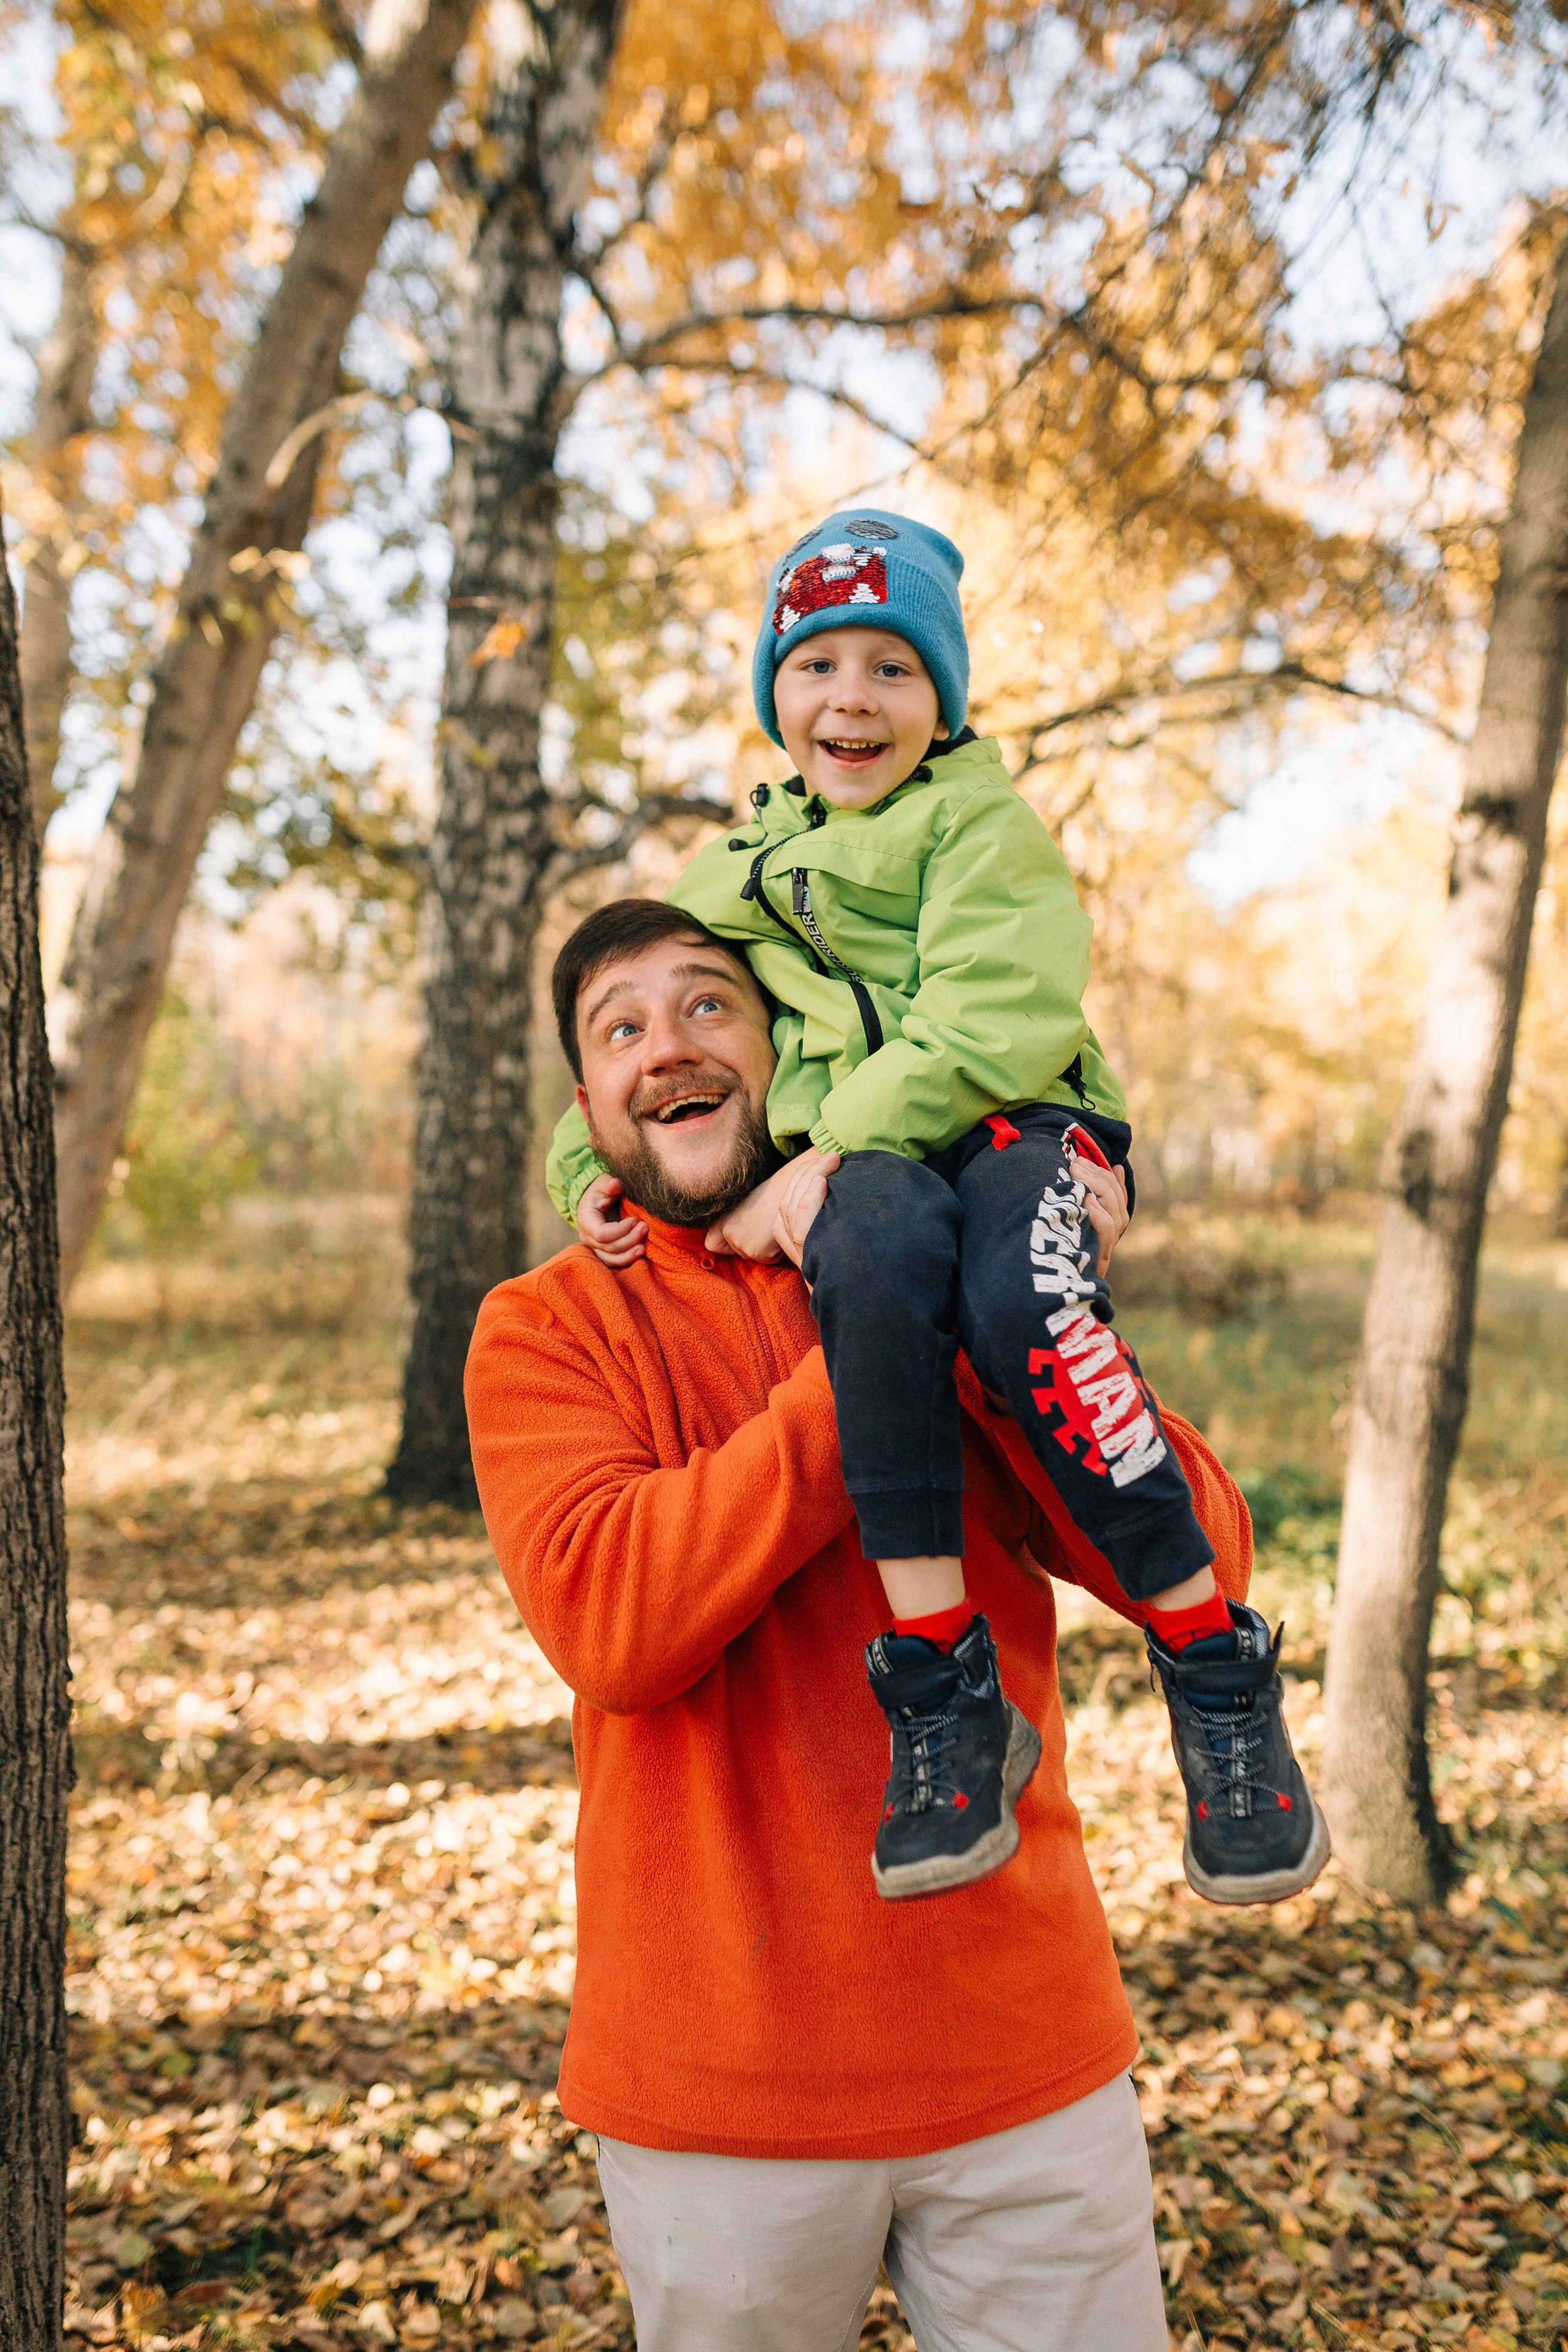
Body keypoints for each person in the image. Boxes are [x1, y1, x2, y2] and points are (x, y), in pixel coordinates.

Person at [466, 905, 1253, 2350]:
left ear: (790, 1047)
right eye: (619, 1028)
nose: (667, 1049)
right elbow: (614, 1618)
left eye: (709, 1006)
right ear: (586, 1104)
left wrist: (1033, 1312)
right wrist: (874, 1340)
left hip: (1024, 2054)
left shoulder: (970, 1254)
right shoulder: (546, 1326)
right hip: (720, 2086)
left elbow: (1197, 1556)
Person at [545, 508, 1327, 1906]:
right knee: (877, 1291)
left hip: (1016, 1124)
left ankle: (1212, 1664)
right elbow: (652, 1019)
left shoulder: (978, 818)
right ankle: (940, 1684)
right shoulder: (733, 870)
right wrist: (586, 1170)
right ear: (773, 692)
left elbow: (996, 1012)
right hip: (880, 1173)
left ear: (941, 698)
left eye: (892, 669)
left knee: (1022, 1305)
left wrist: (819, 1147)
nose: (850, 697)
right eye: (816, 665)